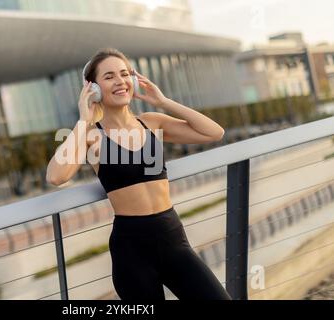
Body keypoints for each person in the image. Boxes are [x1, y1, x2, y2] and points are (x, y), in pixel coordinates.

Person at [46, 48, 231, 300]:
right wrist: (82, 119)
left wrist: (163, 102)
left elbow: (214, 132)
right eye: (109, 76)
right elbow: (56, 176)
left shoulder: (152, 122)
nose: (120, 81)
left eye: (124, 74)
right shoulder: (91, 136)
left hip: (174, 240)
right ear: (93, 88)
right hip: (131, 252)